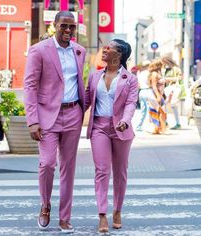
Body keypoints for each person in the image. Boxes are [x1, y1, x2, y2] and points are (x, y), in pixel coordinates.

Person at [23, 11, 86, 233]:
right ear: (55, 25)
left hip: (73, 115)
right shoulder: (39, 50)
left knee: (69, 168)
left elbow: (78, 82)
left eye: (72, 27)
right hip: (46, 116)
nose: (68, 31)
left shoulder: (80, 51)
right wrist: (32, 120)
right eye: (64, 26)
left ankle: (65, 217)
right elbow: (30, 86)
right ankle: (45, 205)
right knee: (48, 163)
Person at [85, 39, 138, 233]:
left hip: (121, 128)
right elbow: (85, 101)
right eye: (105, 46)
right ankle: (102, 214)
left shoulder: (130, 79)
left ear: (120, 55)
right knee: (102, 170)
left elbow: (131, 103)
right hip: (99, 126)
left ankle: (117, 210)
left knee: (120, 172)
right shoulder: (94, 76)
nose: (104, 49)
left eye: (110, 47)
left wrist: (126, 120)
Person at [162, 56, 183, 129]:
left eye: (164, 62)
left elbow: (180, 78)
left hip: (173, 89)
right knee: (164, 105)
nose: (163, 64)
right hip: (167, 90)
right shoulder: (165, 69)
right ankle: (166, 122)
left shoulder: (176, 69)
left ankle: (176, 123)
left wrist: (168, 79)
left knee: (172, 106)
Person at [147, 59, 167, 134]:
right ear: (157, 65)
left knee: (159, 112)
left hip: (159, 94)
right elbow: (154, 86)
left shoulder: (157, 73)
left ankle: (159, 128)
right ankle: (160, 128)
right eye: (161, 65)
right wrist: (158, 96)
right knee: (160, 112)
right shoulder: (154, 74)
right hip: (156, 95)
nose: (162, 66)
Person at [136, 60, 151, 131]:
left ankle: (138, 126)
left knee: (143, 110)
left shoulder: (140, 73)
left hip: (141, 91)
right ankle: (151, 126)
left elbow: (138, 84)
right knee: (151, 109)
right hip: (148, 90)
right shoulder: (149, 73)